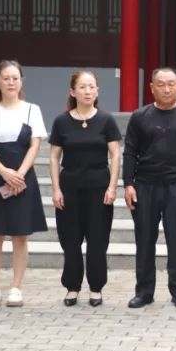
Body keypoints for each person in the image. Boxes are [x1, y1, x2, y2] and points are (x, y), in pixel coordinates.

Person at [123, 68, 176, 310]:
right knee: (144, 240)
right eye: (161, 84)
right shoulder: (139, 117)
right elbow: (130, 152)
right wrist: (128, 184)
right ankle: (144, 292)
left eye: (171, 84)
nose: (166, 89)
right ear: (152, 87)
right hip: (145, 186)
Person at [0, 60, 48, 308]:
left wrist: (19, 174)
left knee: (20, 235)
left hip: (23, 177)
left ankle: (16, 287)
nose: (11, 82)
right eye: (6, 78)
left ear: (22, 81)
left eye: (15, 78)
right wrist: (4, 172)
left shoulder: (32, 110)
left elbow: (35, 145)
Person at [48, 70, 121, 308]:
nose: (87, 91)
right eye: (82, 87)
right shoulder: (61, 121)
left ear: (97, 91)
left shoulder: (106, 120)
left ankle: (96, 287)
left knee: (98, 240)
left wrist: (112, 186)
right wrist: (56, 189)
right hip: (69, 187)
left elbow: (115, 154)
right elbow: (54, 157)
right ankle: (72, 286)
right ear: (73, 91)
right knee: (70, 240)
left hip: (99, 188)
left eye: (91, 86)